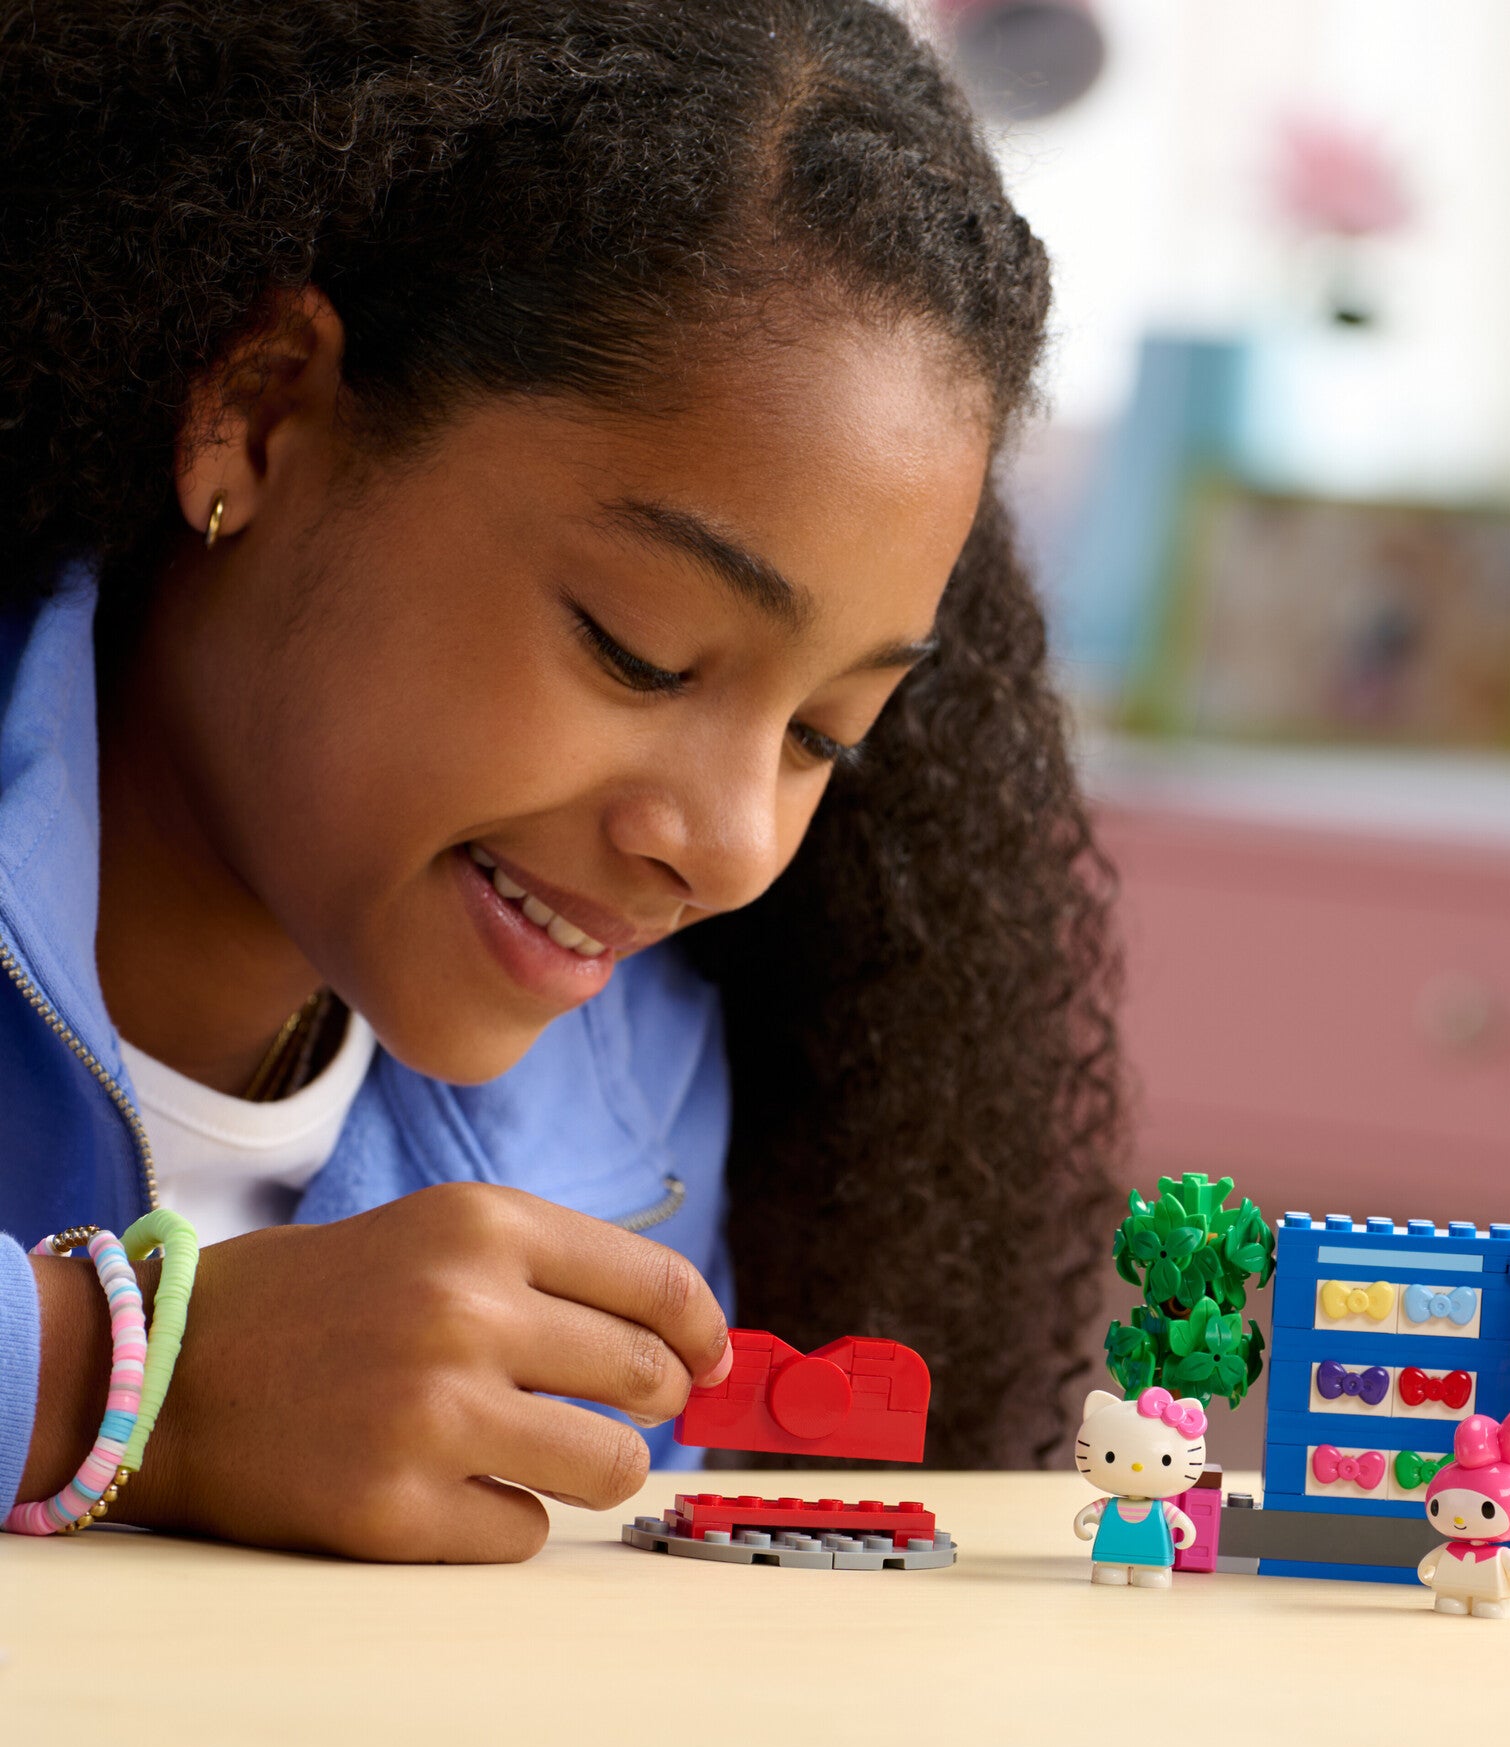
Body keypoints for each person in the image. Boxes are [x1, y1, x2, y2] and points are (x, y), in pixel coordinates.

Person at [0, 0, 1120, 1561]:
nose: (731, 845)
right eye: (638, 652)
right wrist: (126, 1389)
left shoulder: (633, 1112)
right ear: (257, 412)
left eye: (825, 736)